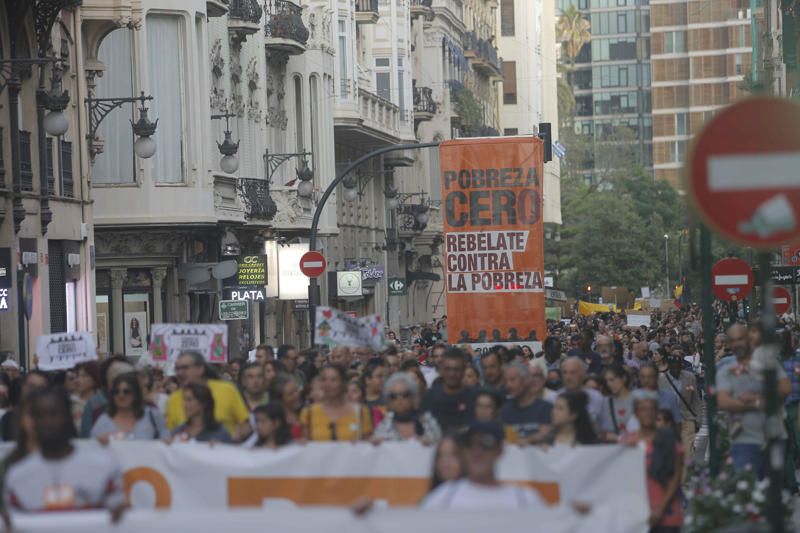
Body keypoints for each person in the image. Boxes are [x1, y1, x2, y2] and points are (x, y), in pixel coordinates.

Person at [4, 388, 126, 520]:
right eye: (40, 415)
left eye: (54, 413)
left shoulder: (104, 467)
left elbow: (120, 514)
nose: (48, 421)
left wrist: (121, 513)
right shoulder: (17, 476)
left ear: (68, 417)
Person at [421, 420, 546, 509]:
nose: (477, 452)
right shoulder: (442, 500)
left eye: (486, 443)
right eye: (470, 443)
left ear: (500, 450)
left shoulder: (525, 500)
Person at [717, 334, 791, 478]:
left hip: (771, 431)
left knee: (770, 477)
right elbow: (723, 400)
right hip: (744, 435)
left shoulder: (770, 364)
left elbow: (785, 389)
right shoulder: (727, 365)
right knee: (748, 477)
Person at [622, 390, 683, 532]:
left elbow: (676, 476)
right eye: (642, 409)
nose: (647, 413)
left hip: (667, 514)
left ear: (656, 413)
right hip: (636, 514)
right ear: (636, 414)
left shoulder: (668, 439)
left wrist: (660, 509)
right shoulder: (627, 441)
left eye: (651, 409)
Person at [166, 351, 250, 440]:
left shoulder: (226, 389)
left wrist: (232, 439)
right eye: (177, 369)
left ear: (200, 369)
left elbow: (245, 426)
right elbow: (170, 435)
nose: (179, 373)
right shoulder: (173, 399)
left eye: (184, 368)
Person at [300, 364, 372, 441]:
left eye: (333, 380)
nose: (328, 384)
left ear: (343, 384)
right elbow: (305, 445)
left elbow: (367, 445)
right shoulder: (308, 413)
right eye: (324, 379)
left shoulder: (360, 412)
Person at [658, 351, 702, 474]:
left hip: (687, 418)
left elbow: (696, 400)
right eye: (672, 366)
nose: (675, 368)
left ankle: (685, 479)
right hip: (669, 420)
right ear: (668, 365)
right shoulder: (661, 379)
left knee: (688, 451)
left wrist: (698, 419)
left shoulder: (690, 377)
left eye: (678, 366)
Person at [90, 372, 167, 441]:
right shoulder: (103, 421)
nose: (121, 395)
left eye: (126, 391)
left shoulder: (153, 416)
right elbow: (93, 450)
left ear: (136, 394)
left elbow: (167, 442)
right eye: (116, 392)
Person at [372, 373, 441, 444]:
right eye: (393, 396)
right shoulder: (383, 428)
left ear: (414, 398)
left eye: (405, 395)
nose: (399, 400)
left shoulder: (428, 422)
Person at [421, 347, 476, 433]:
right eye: (448, 369)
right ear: (441, 369)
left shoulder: (475, 397)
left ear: (463, 370)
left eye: (456, 369)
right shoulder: (429, 397)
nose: (452, 374)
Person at [79, 356, 135, 438]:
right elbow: (87, 440)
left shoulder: (150, 412)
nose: (121, 386)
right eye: (114, 380)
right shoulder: (96, 409)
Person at [500, 362, 552, 445]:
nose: (508, 385)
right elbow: (509, 441)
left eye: (512, 380)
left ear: (526, 380)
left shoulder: (546, 408)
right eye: (506, 381)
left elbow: (546, 435)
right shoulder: (506, 411)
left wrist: (523, 441)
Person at [559, 357, 606, 433]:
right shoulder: (555, 398)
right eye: (565, 372)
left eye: (572, 372)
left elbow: (605, 428)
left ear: (583, 374)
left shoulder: (597, 397)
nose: (568, 377)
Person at [601, 365, 634, 441]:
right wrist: (620, 438)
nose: (608, 384)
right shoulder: (606, 403)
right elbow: (603, 432)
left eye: (612, 380)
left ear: (623, 378)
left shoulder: (638, 398)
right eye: (606, 381)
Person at [71, 361, 100, 430]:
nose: (78, 380)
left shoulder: (103, 402)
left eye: (84, 376)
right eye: (77, 376)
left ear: (95, 378)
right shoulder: (70, 402)